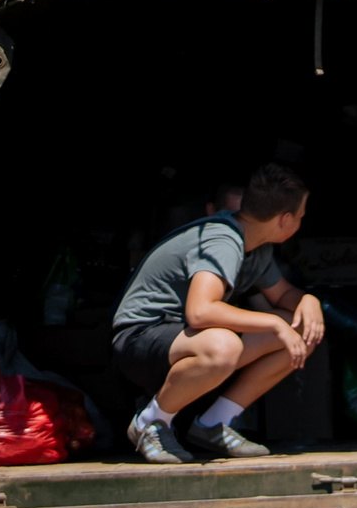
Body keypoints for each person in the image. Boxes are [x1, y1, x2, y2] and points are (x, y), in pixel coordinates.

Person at [109, 162, 326, 464]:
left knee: (302, 329)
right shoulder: (223, 239)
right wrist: (276, 324)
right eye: (301, 216)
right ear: (285, 220)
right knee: (224, 345)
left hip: (184, 340)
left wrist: (308, 302)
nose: (302, 220)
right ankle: (150, 422)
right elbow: (201, 311)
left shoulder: (257, 244)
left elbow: (285, 295)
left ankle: (214, 424)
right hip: (141, 340)